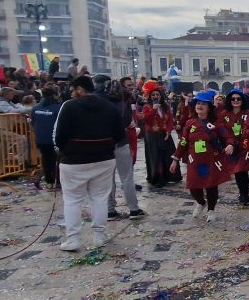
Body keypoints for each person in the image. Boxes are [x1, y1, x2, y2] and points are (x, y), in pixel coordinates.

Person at [53, 75, 125, 251]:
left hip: (74, 160)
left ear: (79, 89)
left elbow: (59, 135)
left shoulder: (69, 106)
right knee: (99, 198)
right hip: (104, 159)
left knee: (72, 200)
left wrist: (66, 150)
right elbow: (118, 134)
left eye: (72, 90)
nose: (71, 94)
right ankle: (99, 236)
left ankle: (73, 239)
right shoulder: (108, 106)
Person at [172, 91, 232, 222]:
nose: (199, 106)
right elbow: (183, 142)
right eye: (198, 103)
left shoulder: (216, 123)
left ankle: (211, 210)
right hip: (194, 161)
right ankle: (201, 202)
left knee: (211, 186)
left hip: (212, 160)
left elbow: (227, 137)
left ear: (209, 107)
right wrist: (175, 159)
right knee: (193, 186)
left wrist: (230, 145)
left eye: (203, 104)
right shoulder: (189, 123)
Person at [95, 75, 144, 220]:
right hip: (121, 142)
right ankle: (133, 209)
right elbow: (129, 122)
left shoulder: (96, 103)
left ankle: (110, 210)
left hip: (103, 145)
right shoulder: (121, 103)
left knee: (108, 178)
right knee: (127, 177)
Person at [221, 88, 249, 207]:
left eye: (238, 99)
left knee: (241, 170)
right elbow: (223, 130)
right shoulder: (224, 114)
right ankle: (242, 194)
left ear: (242, 100)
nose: (236, 101)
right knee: (237, 171)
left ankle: (244, 196)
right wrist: (230, 142)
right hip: (231, 146)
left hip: (245, 146)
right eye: (233, 99)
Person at [142, 87, 176, 187]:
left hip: (164, 134)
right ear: (150, 97)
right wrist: (153, 109)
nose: (155, 96)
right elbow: (146, 120)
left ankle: (169, 176)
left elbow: (170, 120)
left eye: (157, 94)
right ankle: (158, 177)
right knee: (156, 157)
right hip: (152, 135)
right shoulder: (146, 107)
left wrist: (169, 131)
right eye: (153, 95)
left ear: (160, 96)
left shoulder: (165, 107)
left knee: (167, 156)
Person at [31, 87, 62, 189]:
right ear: (53, 95)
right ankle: (57, 181)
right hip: (53, 139)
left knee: (45, 159)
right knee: (56, 160)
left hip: (40, 138)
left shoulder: (35, 108)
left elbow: (33, 122)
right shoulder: (58, 108)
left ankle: (49, 181)